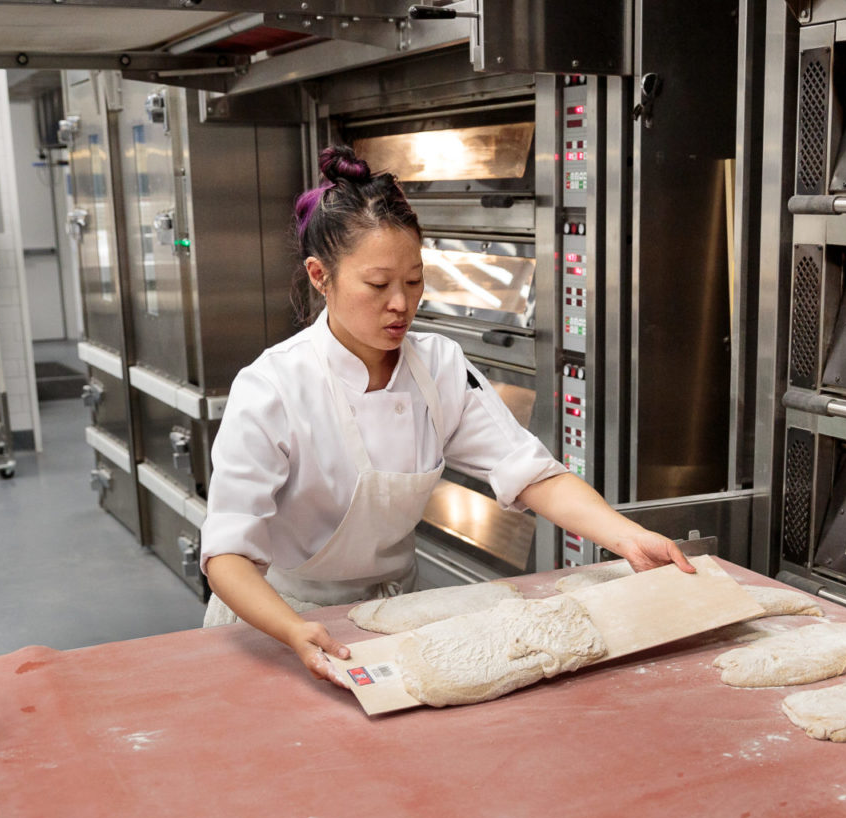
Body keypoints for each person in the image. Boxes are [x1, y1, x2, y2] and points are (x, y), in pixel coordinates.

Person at [199, 146, 693, 685]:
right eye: (378, 284)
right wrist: (294, 630)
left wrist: (623, 536)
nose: (401, 305)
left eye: (414, 282)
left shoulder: (438, 365)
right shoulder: (273, 387)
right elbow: (226, 553)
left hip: (392, 615)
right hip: (280, 624)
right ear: (320, 276)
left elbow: (530, 472)